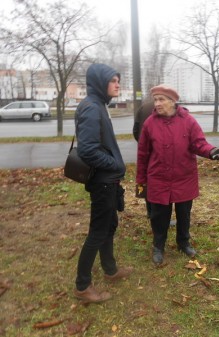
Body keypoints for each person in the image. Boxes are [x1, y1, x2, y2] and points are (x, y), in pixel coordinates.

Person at [136, 84, 219, 265]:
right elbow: (143, 154)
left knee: (184, 214)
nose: (157, 103)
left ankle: (183, 242)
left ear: (172, 101)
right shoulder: (149, 123)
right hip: (159, 178)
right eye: (155, 100)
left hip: (184, 177)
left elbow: (199, 143)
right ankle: (158, 247)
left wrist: (211, 151)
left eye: (161, 99)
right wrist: (141, 182)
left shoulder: (188, 121)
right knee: (159, 216)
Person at [73, 63, 133, 303]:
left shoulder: (98, 106)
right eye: (113, 80)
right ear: (100, 82)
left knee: (109, 226)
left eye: (118, 80)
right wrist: (114, 165)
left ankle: (110, 270)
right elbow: (87, 150)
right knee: (97, 232)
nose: (118, 84)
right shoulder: (91, 108)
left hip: (109, 181)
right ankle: (82, 286)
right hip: (103, 182)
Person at [133, 100, 155, 220]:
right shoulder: (168, 107)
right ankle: (157, 214)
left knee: (146, 179)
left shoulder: (143, 107)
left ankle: (150, 212)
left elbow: (135, 129)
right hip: (160, 151)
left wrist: (142, 143)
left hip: (145, 150)